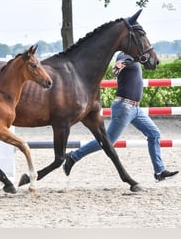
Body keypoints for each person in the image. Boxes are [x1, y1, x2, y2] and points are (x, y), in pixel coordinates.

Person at [63, 51, 179, 181]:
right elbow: (118, 66)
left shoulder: (135, 58)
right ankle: (73, 156)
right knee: (109, 141)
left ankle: (160, 171)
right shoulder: (124, 55)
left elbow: (145, 60)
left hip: (136, 109)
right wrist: (120, 65)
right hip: (124, 107)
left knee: (154, 134)